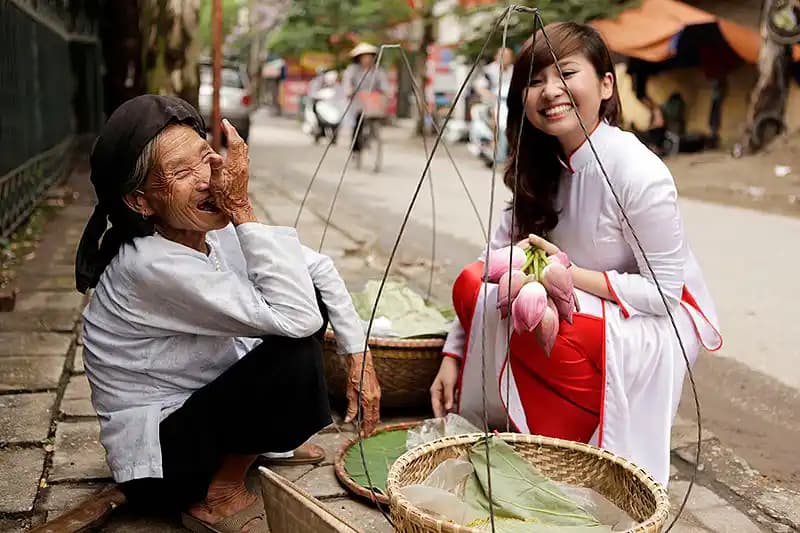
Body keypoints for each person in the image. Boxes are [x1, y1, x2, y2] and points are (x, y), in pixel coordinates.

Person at [430, 22, 722, 487]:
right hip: (570, 305)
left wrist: (561, 272)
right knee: (475, 283)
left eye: (566, 74)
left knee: (537, 315)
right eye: (535, 80)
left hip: (646, 320)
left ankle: (567, 423)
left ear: (606, 85)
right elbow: (494, 263)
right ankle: (545, 416)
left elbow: (665, 294)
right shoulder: (542, 164)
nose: (550, 92)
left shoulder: (638, 172)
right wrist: (454, 355)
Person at [75, 95, 381, 532]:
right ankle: (218, 491)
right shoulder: (149, 265)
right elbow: (298, 321)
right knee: (294, 349)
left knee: (301, 290)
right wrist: (242, 210)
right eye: (182, 172)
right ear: (142, 202)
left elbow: (317, 269)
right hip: (161, 464)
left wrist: (359, 354)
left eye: (207, 158)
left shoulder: (203, 233)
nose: (209, 180)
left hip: (196, 420)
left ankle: (253, 448)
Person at [342, 43, 389, 152]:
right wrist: (349, 90)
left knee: (376, 118)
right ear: (359, 58)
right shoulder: (352, 70)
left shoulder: (378, 71)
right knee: (358, 122)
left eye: (369, 56)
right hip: (358, 101)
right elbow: (347, 83)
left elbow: (384, 85)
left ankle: (373, 137)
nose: (367, 59)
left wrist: (386, 93)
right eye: (364, 56)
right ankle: (355, 148)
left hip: (373, 102)